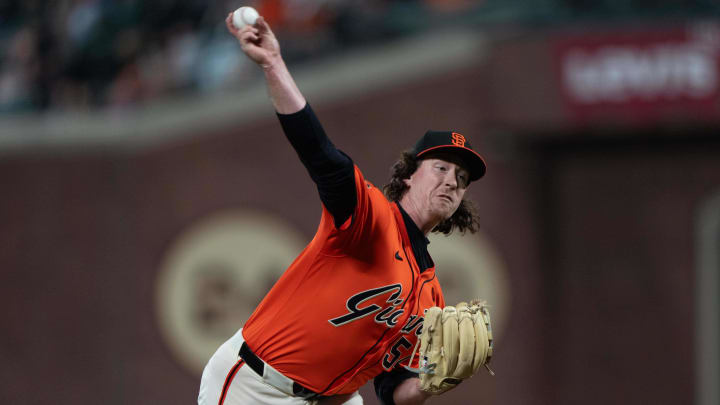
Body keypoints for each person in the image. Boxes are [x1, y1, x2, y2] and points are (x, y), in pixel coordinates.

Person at [197, 12, 488, 405]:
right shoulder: (372, 221)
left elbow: (390, 392)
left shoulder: (431, 296)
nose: (452, 181)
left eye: (462, 178)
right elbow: (319, 152)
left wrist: (434, 382)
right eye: (440, 168)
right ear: (407, 176)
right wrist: (274, 64)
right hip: (258, 385)